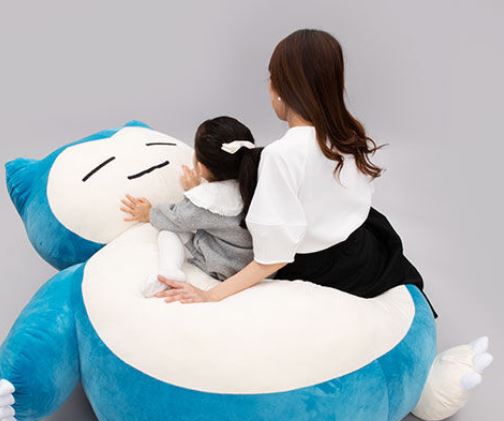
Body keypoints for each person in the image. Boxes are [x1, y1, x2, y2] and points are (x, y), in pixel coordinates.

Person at [154, 29, 435, 316]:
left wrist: (210, 295)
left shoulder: (280, 155)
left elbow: (272, 259)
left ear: (282, 91)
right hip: (365, 247)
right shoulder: (347, 134)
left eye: (271, 78)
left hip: (323, 269)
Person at [120, 116, 262, 297]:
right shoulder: (255, 182)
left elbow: (177, 218)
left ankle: (169, 271)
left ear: (200, 167)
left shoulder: (209, 199)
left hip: (226, 267)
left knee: (169, 231)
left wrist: (149, 213)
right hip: (255, 265)